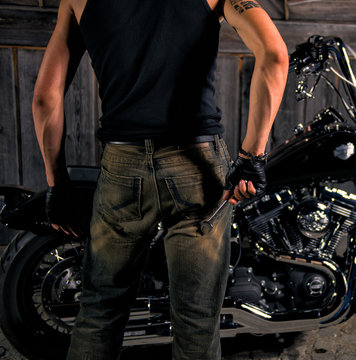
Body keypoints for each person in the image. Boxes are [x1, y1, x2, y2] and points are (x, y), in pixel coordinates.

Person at [32, 0, 288, 358]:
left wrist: (58, 185)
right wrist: (251, 157)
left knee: (99, 315)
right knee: (197, 323)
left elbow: (46, 97)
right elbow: (275, 55)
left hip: (123, 165)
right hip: (197, 167)